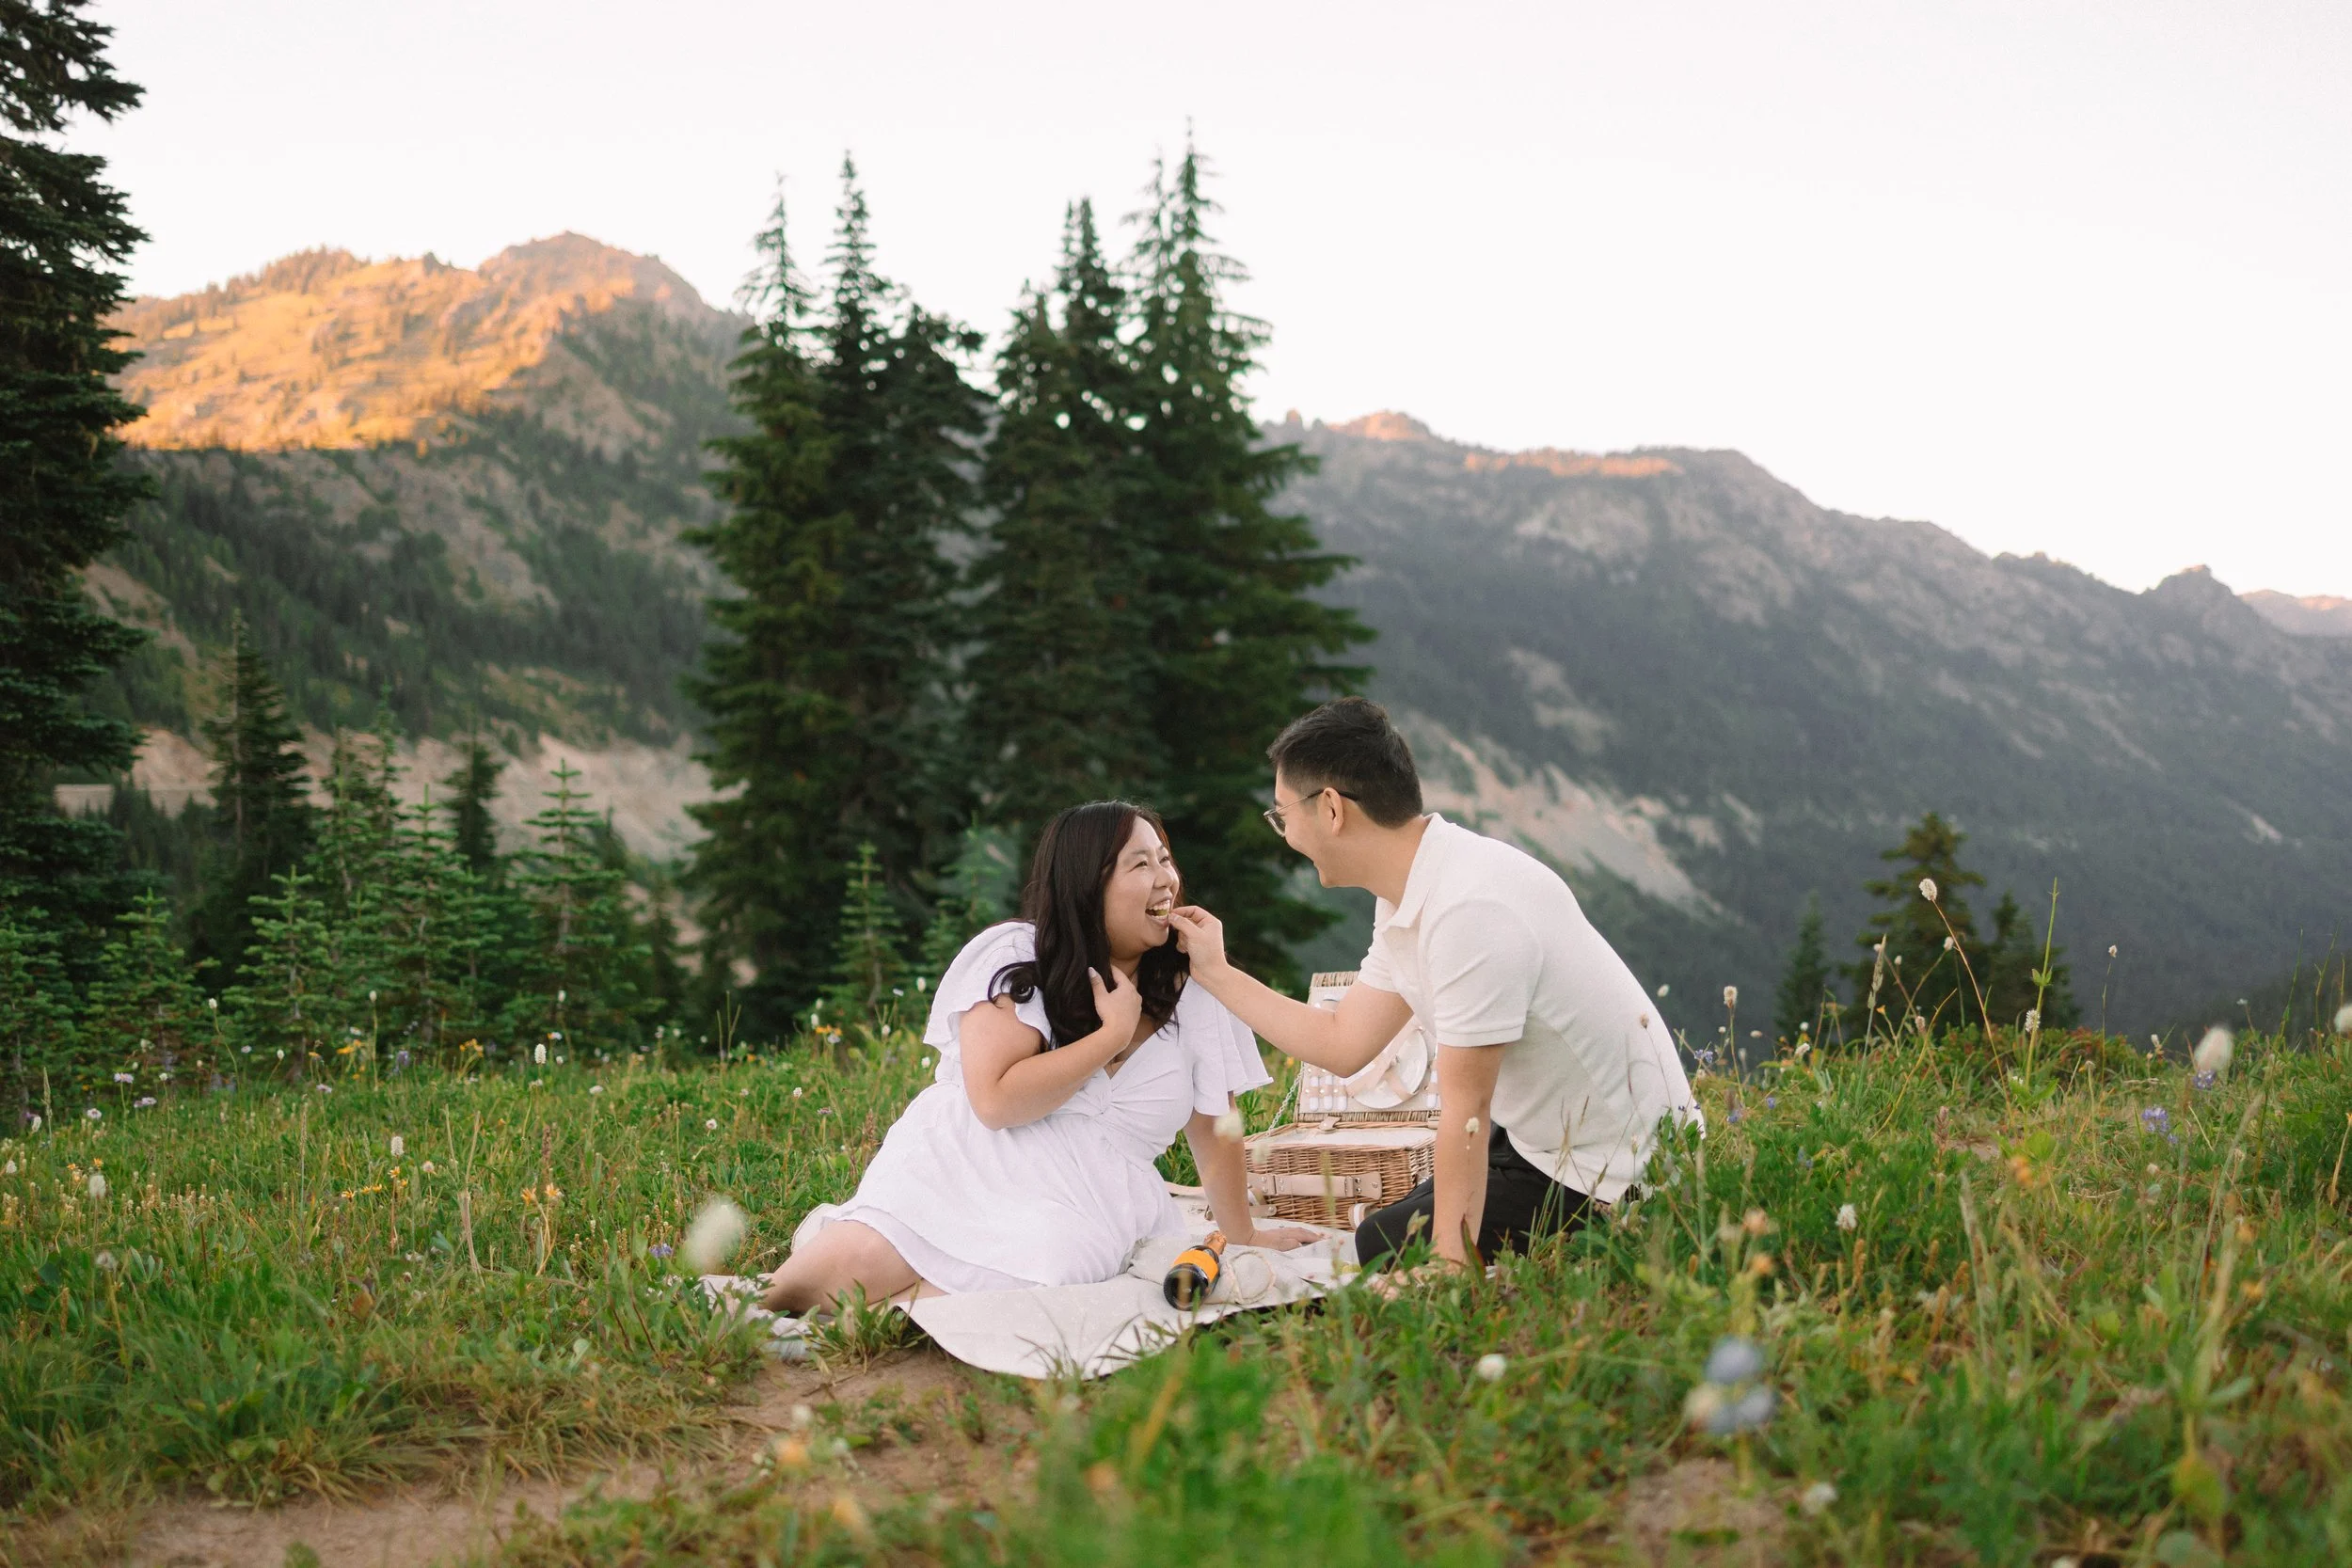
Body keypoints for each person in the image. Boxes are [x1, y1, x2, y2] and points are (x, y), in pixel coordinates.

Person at [1168, 697, 1697, 1274]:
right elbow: (1344, 1042)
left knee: (1384, 1240)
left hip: (1617, 1175)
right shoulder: (1414, 884)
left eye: (1282, 814)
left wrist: (1451, 1264)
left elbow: (1466, 1108)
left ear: (1331, 809)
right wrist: (1215, 972)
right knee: (1404, 1213)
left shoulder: (1470, 910)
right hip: (1542, 1139)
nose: (1284, 832)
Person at [762, 800, 1321, 1315]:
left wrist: (1241, 1234)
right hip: (977, 1158)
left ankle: (890, 1312)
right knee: (832, 1276)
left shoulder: (1196, 985)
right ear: (1088, 884)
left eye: (1166, 859)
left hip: (1096, 1197)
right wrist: (1108, 1037)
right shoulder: (1018, 955)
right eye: (1140, 864)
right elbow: (995, 1103)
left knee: (1054, 1268)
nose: (1166, 878)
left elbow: (1214, 1124)